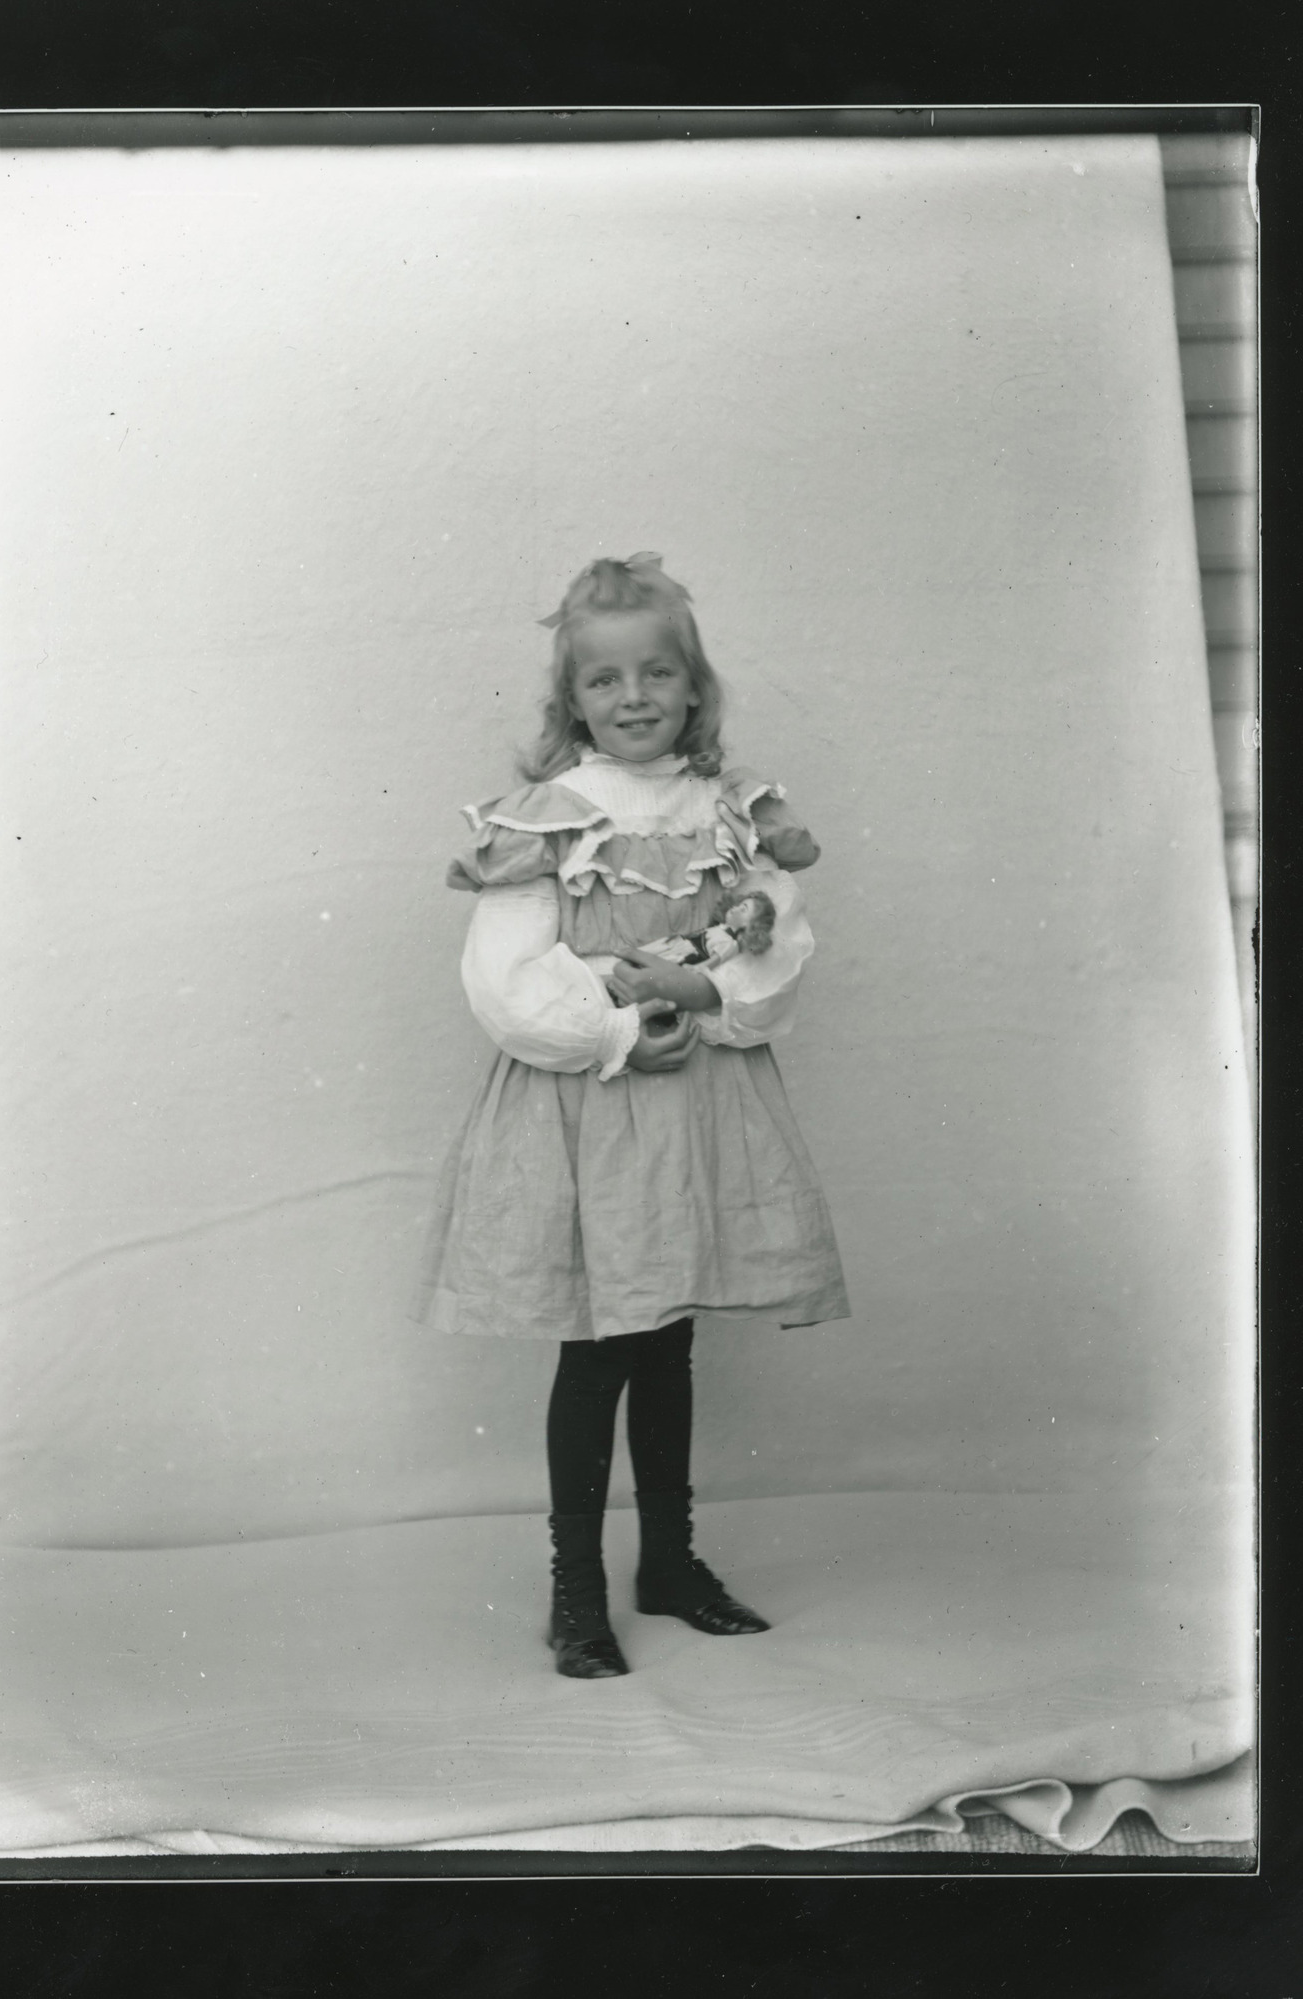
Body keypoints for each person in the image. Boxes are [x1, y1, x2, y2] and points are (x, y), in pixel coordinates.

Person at [413, 552, 850, 1679]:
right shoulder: (550, 822)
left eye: (659, 674)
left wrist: (704, 990)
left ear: (695, 688)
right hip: (593, 1109)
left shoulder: (730, 816)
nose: (637, 697)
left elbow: (780, 944)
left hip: (697, 1099)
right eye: (607, 681)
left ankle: (669, 1561)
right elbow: (505, 979)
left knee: (668, 1345)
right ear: (573, 701)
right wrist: (612, 1027)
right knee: (603, 1344)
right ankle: (576, 1590)